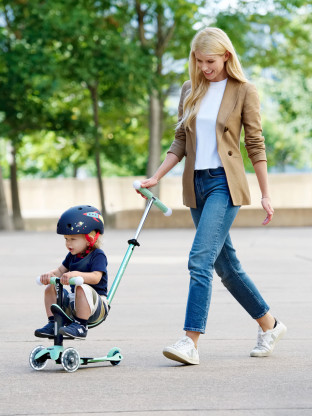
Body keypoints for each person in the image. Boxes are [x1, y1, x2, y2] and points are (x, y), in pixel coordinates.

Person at [139, 27, 287, 365]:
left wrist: (266, 194)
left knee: (199, 259)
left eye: (211, 61)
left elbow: (255, 144)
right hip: (196, 186)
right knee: (227, 267)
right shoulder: (190, 90)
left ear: (226, 56)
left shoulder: (243, 91)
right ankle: (270, 325)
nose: (206, 67)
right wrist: (156, 178)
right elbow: (180, 141)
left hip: (225, 184)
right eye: (200, 61)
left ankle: (190, 340)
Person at [34, 205, 108, 339]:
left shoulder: (98, 255)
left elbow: (96, 277)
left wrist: (76, 274)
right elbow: (60, 271)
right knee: (50, 287)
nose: (68, 243)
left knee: (81, 288)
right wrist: (49, 275)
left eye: (73, 239)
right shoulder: (72, 256)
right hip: (76, 304)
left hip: (96, 306)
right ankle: (53, 323)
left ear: (90, 238)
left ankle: (80, 326)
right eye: (66, 239)